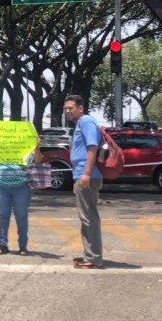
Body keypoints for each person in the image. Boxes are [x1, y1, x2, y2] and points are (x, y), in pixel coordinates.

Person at [65, 94, 104, 269]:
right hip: (82, 175)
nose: (68, 111)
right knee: (86, 217)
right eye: (66, 109)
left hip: (88, 175)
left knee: (89, 218)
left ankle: (94, 258)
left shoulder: (87, 121)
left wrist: (86, 174)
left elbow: (92, 147)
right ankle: (90, 254)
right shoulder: (81, 123)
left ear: (81, 108)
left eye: (71, 108)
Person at [0, 133, 43, 255]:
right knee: (3, 214)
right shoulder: (0, 150)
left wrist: (36, 147)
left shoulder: (26, 149)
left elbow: (38, 161)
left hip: (22, 187)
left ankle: (23, 246)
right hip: (1, 185)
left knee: (21, 215)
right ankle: (2, 244)